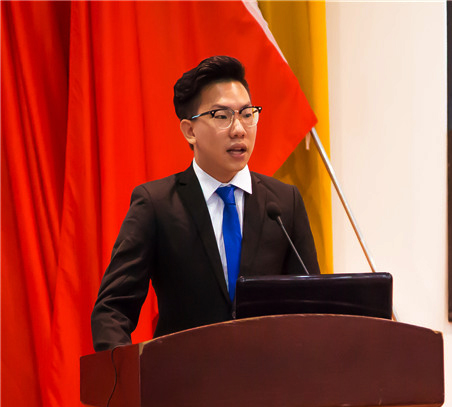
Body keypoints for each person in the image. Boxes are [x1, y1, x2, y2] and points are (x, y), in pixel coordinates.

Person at [91, 56, 319, 352]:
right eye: (222, 116)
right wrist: (126, 373)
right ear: (190, 131)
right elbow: (112, 310)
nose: (239, 129)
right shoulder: (157, 204)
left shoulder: (284, 203)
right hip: (185, 376)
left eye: (247, 114)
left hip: (267, 375)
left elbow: (313, 304)